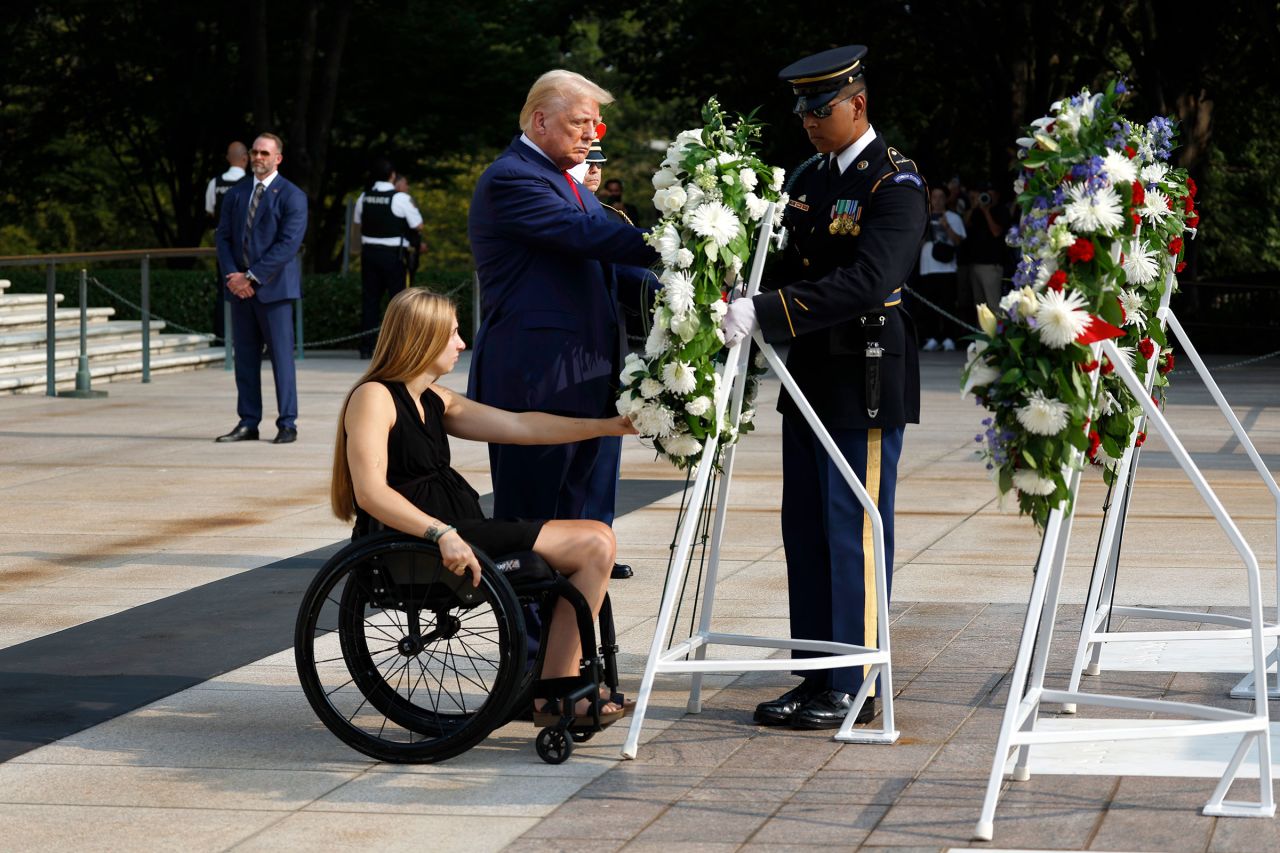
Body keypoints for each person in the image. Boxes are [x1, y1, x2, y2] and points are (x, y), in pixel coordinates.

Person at [720, 45, 927, 729]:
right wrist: (744, 289)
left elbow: (870, 279)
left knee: (853, 529)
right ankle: (817, 674)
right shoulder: (807, 177)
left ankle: (858, 679)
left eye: (821, 106)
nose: (808, 119)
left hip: (861, 374)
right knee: (806, 527)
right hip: (807, 373)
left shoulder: (893, 184)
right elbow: (785, 260)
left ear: (857, 104)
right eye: (802, 108)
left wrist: (771, 311)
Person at [331, 287, 632, 721]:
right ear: (423, 336)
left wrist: (609, 426)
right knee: (594, 544)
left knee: (598, 540)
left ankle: (556, 686)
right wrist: (441, 533)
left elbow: (521, 426)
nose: (461, 344)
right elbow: (370, 492)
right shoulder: (375, 397)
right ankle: (554, 694)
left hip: (457, 529)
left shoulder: (436, 398)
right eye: (452, 334)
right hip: (415, 541)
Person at [467, 69, 659, 582]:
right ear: (540, 119)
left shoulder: (564, 181)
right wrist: (675, 235)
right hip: (538, 382)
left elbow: (613, 271)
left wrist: (688, 294)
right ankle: (527, 655)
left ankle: (560, 652)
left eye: (597, 125)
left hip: (582, 378)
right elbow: (585, 236)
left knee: (574, 525)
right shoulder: (513, 177)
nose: (592, 136)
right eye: (581, 123)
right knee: (529, 529)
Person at [213, 132, 307, 444]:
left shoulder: (291, 195)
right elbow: (223, 237)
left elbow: (287, 245)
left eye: (265, 153)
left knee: (282, 360)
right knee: (245, 360)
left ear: (278, 158)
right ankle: (248, 422)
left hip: (275, 291)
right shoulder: (236, 193)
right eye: (254, 152)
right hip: (239, 291)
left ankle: (287, 423)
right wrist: (232, 276)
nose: (258, 157)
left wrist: (250, 277)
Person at [353, 159, 424, 358]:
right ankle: (398, 348)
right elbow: (418, 225)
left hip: (369, 255)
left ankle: (366, 347)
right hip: (392, 257)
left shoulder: (364, 197)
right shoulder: (399, 199)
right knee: (399, 302)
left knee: (370, 301)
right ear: (392, 175)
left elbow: (358, 222)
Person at [204, 140, 249, 344]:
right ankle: (246, 336)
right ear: (245, 158)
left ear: (227, 159)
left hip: (222, 244)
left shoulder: (215, 183)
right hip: (247, 244)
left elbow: (210, 210)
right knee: (249, 289)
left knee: (224, 288)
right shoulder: (251, 183)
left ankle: (222, 336)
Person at [914, 186, 966, 351]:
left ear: (946, 199)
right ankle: (932, 337)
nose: (937, 201)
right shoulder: (923, 217)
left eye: (940, 197)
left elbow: (958, 241)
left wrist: (946, 226)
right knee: (929, 305)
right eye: (934, 197)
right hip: (927, 268)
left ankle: (949, 338)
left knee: (948, 304)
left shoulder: (953, 217)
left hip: (947, 269)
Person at [961, 182, 1010, 315]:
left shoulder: (1001, 210)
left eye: (992, 194)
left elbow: (996, 232)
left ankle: (998, 335)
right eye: (987, 194)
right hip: (974, 264)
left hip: (992, 266)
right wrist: (973, 207)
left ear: (998, 196)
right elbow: (964, 225)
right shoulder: (976, 211)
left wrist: (986, 211)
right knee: (980, 307)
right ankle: (981, 334)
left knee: (993, 305)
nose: (989, 198)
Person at [393, 174, 428, 283]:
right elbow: (418, 225)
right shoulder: (403, 199)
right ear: (398, 184)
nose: (407, 187)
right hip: (404, 251)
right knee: (404, 286)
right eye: (405, 184)